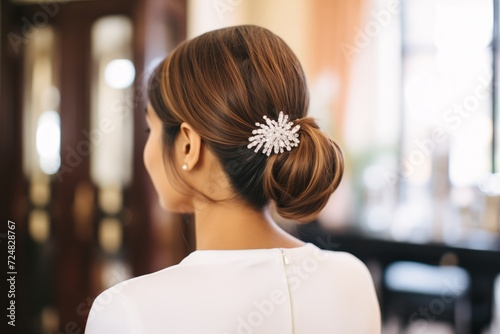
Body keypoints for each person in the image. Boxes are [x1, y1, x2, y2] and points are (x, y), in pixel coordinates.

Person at [85, 25, 381, 334]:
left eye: (150, 130)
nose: (147, 150)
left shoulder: (127, 310)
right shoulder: (353, 279)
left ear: (188, 145)